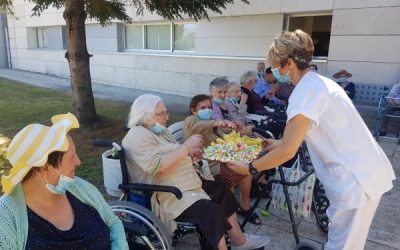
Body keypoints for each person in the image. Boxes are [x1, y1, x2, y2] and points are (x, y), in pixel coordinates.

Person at [228, 30, 395, 250]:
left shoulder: (305, 92)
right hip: (363, 170)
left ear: (288, 63)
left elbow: (288, 151)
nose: (275, 72)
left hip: (355, 180)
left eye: (276, 66)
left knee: (343, 246)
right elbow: (317, 130)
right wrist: (280, 143)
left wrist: (248, 168)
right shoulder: (318, 83)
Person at [122, 94, 270, 250]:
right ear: (145, 115)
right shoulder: (136, 136)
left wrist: (190, 155)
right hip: (166, 193)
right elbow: (157, 167)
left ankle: (239, 241)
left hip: (183, 182)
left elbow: (172, 154)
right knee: (210, 211)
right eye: (162, 113)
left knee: (221, 191)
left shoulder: (158, 131)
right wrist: (186, 147)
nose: (167, 117)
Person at [0, 113, 128, 250]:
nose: (78, 161)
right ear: (45, 168)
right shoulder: (6, 218)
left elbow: (113, 223)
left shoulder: (80, 187)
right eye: (71, 156)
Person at [184, 94, 261, 225]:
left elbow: (222, 134)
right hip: (205, 163)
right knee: (228, 176)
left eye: (209, 106)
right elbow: (199, 126)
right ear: (193, 110)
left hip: (220, 157)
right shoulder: (191, 120)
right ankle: (230, 214)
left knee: (246, 170)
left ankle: (244, 206)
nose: (207, 109)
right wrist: (218, 122)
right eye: (203, 107)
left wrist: (232, 126)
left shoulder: (211, 120)